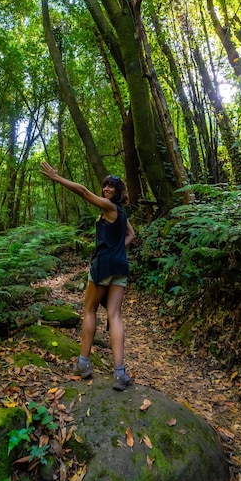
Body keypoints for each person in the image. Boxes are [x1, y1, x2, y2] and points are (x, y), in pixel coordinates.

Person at [40, 162, 135, 391]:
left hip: (103, 266)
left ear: (119, 191)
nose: (106, 190)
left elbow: (82, 191)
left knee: (90, 310)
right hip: (120, 266)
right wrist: (118, 251)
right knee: (114, 315)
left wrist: (58, 178)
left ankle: (83, 363)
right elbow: (131, 234)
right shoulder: (118, 213)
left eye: (111, 187)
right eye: (105, 186)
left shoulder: (110, 208)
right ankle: (120, 373)